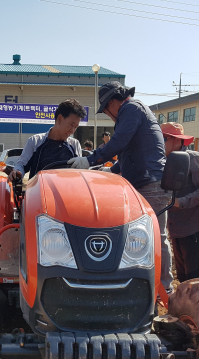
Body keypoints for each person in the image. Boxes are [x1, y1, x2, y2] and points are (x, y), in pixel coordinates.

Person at [68, 81, 173, 293]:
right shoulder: (134, 111)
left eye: (106, 110)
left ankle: (164, 289)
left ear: (113, 102)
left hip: (151, 184)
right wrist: (112, 171)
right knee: (143, 237)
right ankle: (148, 285)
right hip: (146, 182)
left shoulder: (131, 109)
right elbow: (130, 151)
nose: (108, 115)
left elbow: (120, 141)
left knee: (154, 237)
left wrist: (90, 160)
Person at [162, 123, 199, 282]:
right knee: (184, 277)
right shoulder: (167, 161)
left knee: (195, 278)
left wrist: (180, 202)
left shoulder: (193, 158)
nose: (159, 143)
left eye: (163, 139)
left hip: (195, 227)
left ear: (177, 140)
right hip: (178, 227)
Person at [8, 98, 86, 181]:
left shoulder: (74, 145)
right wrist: (17, 172)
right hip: (39, 191)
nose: (73, 130)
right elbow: (22, 165)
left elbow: (79, 172)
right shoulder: (35, 142)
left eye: (76, 127)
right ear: (59, 119)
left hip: (67, 191)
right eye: (71, 125)